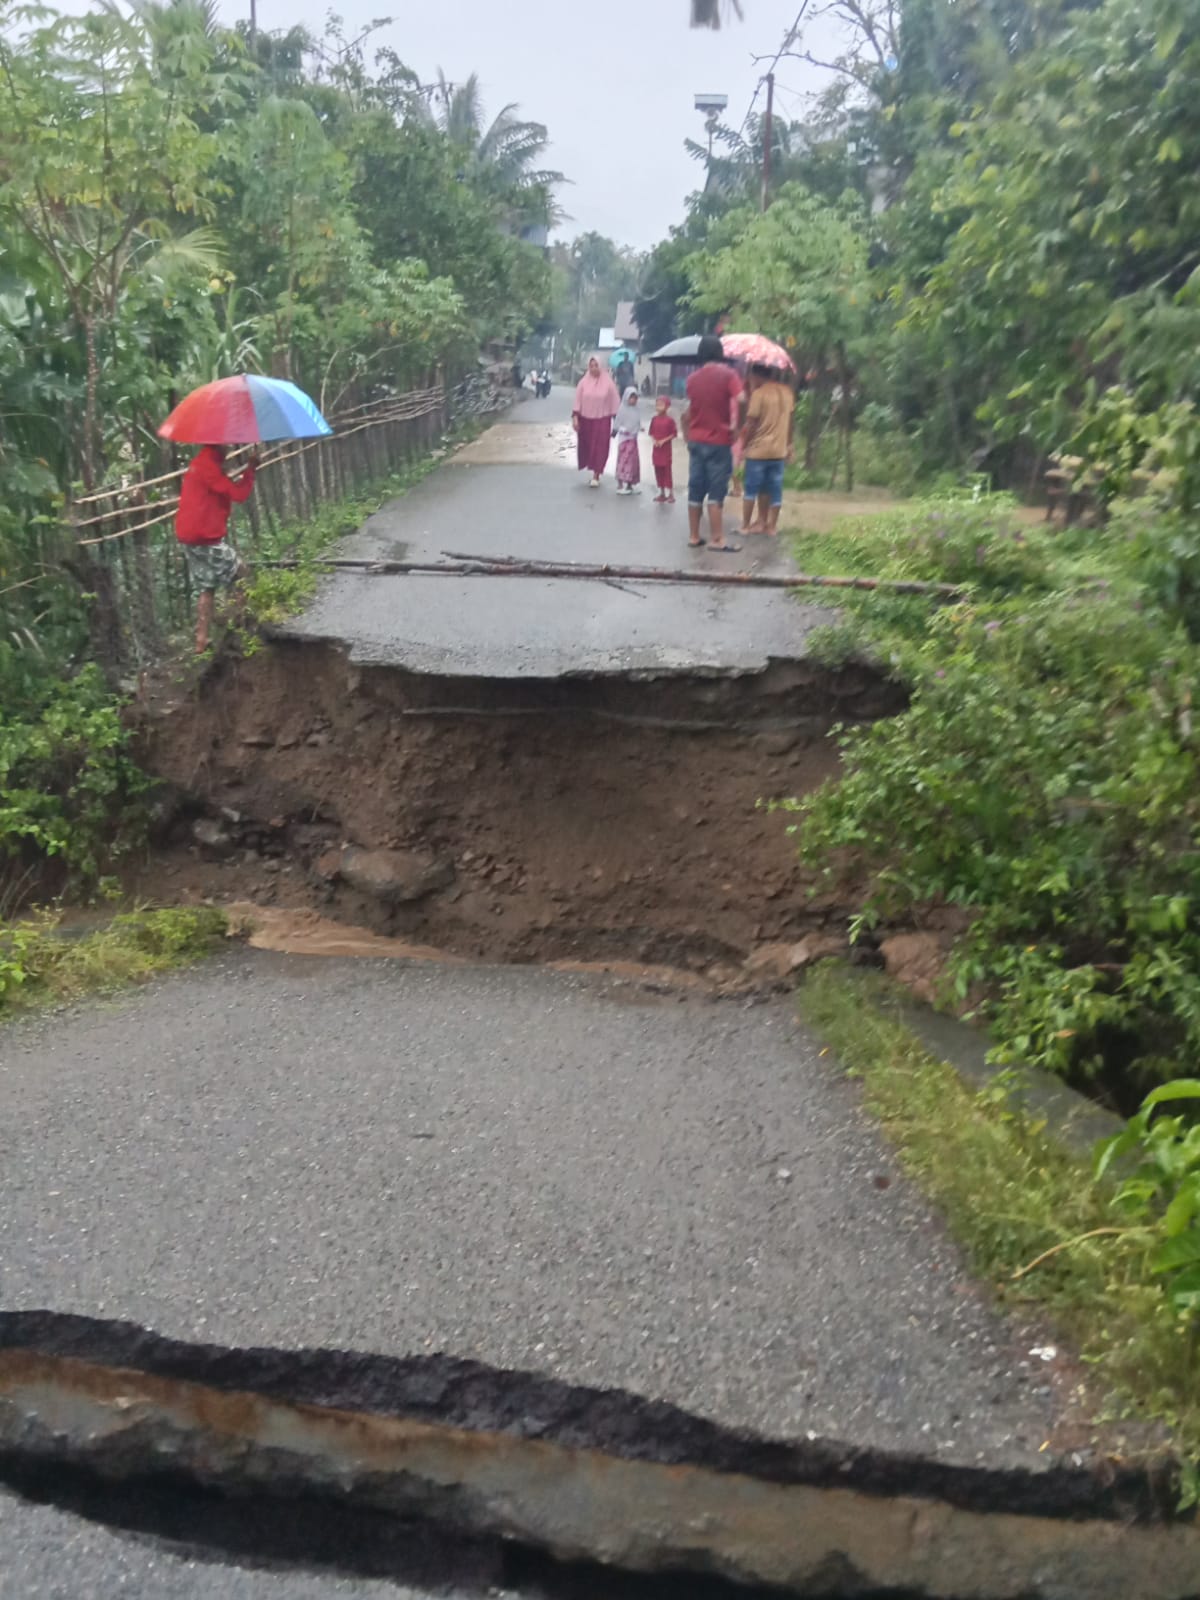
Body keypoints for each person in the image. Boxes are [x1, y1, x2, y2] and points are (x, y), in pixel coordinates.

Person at [175, 443, 257, 653]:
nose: (229, 449)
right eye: (226, 445)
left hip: (189, 536)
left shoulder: (200, 464)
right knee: (240, 573)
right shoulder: (208, 467)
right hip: (204, 538)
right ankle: (240, 626)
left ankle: (201, 640)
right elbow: (238, 494)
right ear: (218, 446)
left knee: (207, 586)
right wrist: (251, 470)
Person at [681, 333, 743, 552]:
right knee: (717, 491)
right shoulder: (729, 375)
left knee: (695, 488)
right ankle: (717, 539)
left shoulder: (692, 379)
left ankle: (694, 536)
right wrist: (737, 427)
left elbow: (689, 412)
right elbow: (742, 399)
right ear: (720, 353)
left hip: (697, 442)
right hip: (719, 442)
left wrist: (687, 435)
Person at [738, 364, 795, 536]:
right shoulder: (787, 392)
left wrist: (743, 445)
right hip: (778, 451)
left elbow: (751, 423)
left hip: (758, 451)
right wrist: (789, 444)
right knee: (773, 490)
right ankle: (769, 526)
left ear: (755, 375)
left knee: (751, 489)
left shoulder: (758, 394)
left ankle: (746, 526)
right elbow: (791, 421)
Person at [572, 356, 620, 487]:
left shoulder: (609, 384)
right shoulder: (583, 382)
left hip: (602, 420)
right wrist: (575, 418)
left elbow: (615, 403)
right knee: (587, 446)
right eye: (591, 366)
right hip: (586, 420)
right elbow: (577, 401)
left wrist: (618, 424)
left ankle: (596, 474)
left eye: (596, 365)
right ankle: (592, 469)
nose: (593, 368)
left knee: (600, 447)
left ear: (601, 366)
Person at [648, 395, 678, 504]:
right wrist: (654, 440)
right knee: (658, 470)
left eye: (661, 405)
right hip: (656, 450)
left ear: (667, 406)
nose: (658, 407)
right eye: (657, 405)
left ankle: (671, 493)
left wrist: (663, 441)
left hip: (665, 450)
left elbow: (674, 434)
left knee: (667, 471)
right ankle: (661, 492)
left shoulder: (670, 421)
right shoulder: (654, 419)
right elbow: (650, 432)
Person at [613, 387, 643, 495]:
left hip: (633, 440)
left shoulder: (636, 410)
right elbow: (617, 424)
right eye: (631, 398)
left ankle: (630, 484)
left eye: (635, 398)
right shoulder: (621, 409)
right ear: (626, 397)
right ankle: (620, 484)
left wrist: (640, 428)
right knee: (623, 461)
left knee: (633, 462)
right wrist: (620, 430)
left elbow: (637, 422)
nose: (634, 400)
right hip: (624, 440)